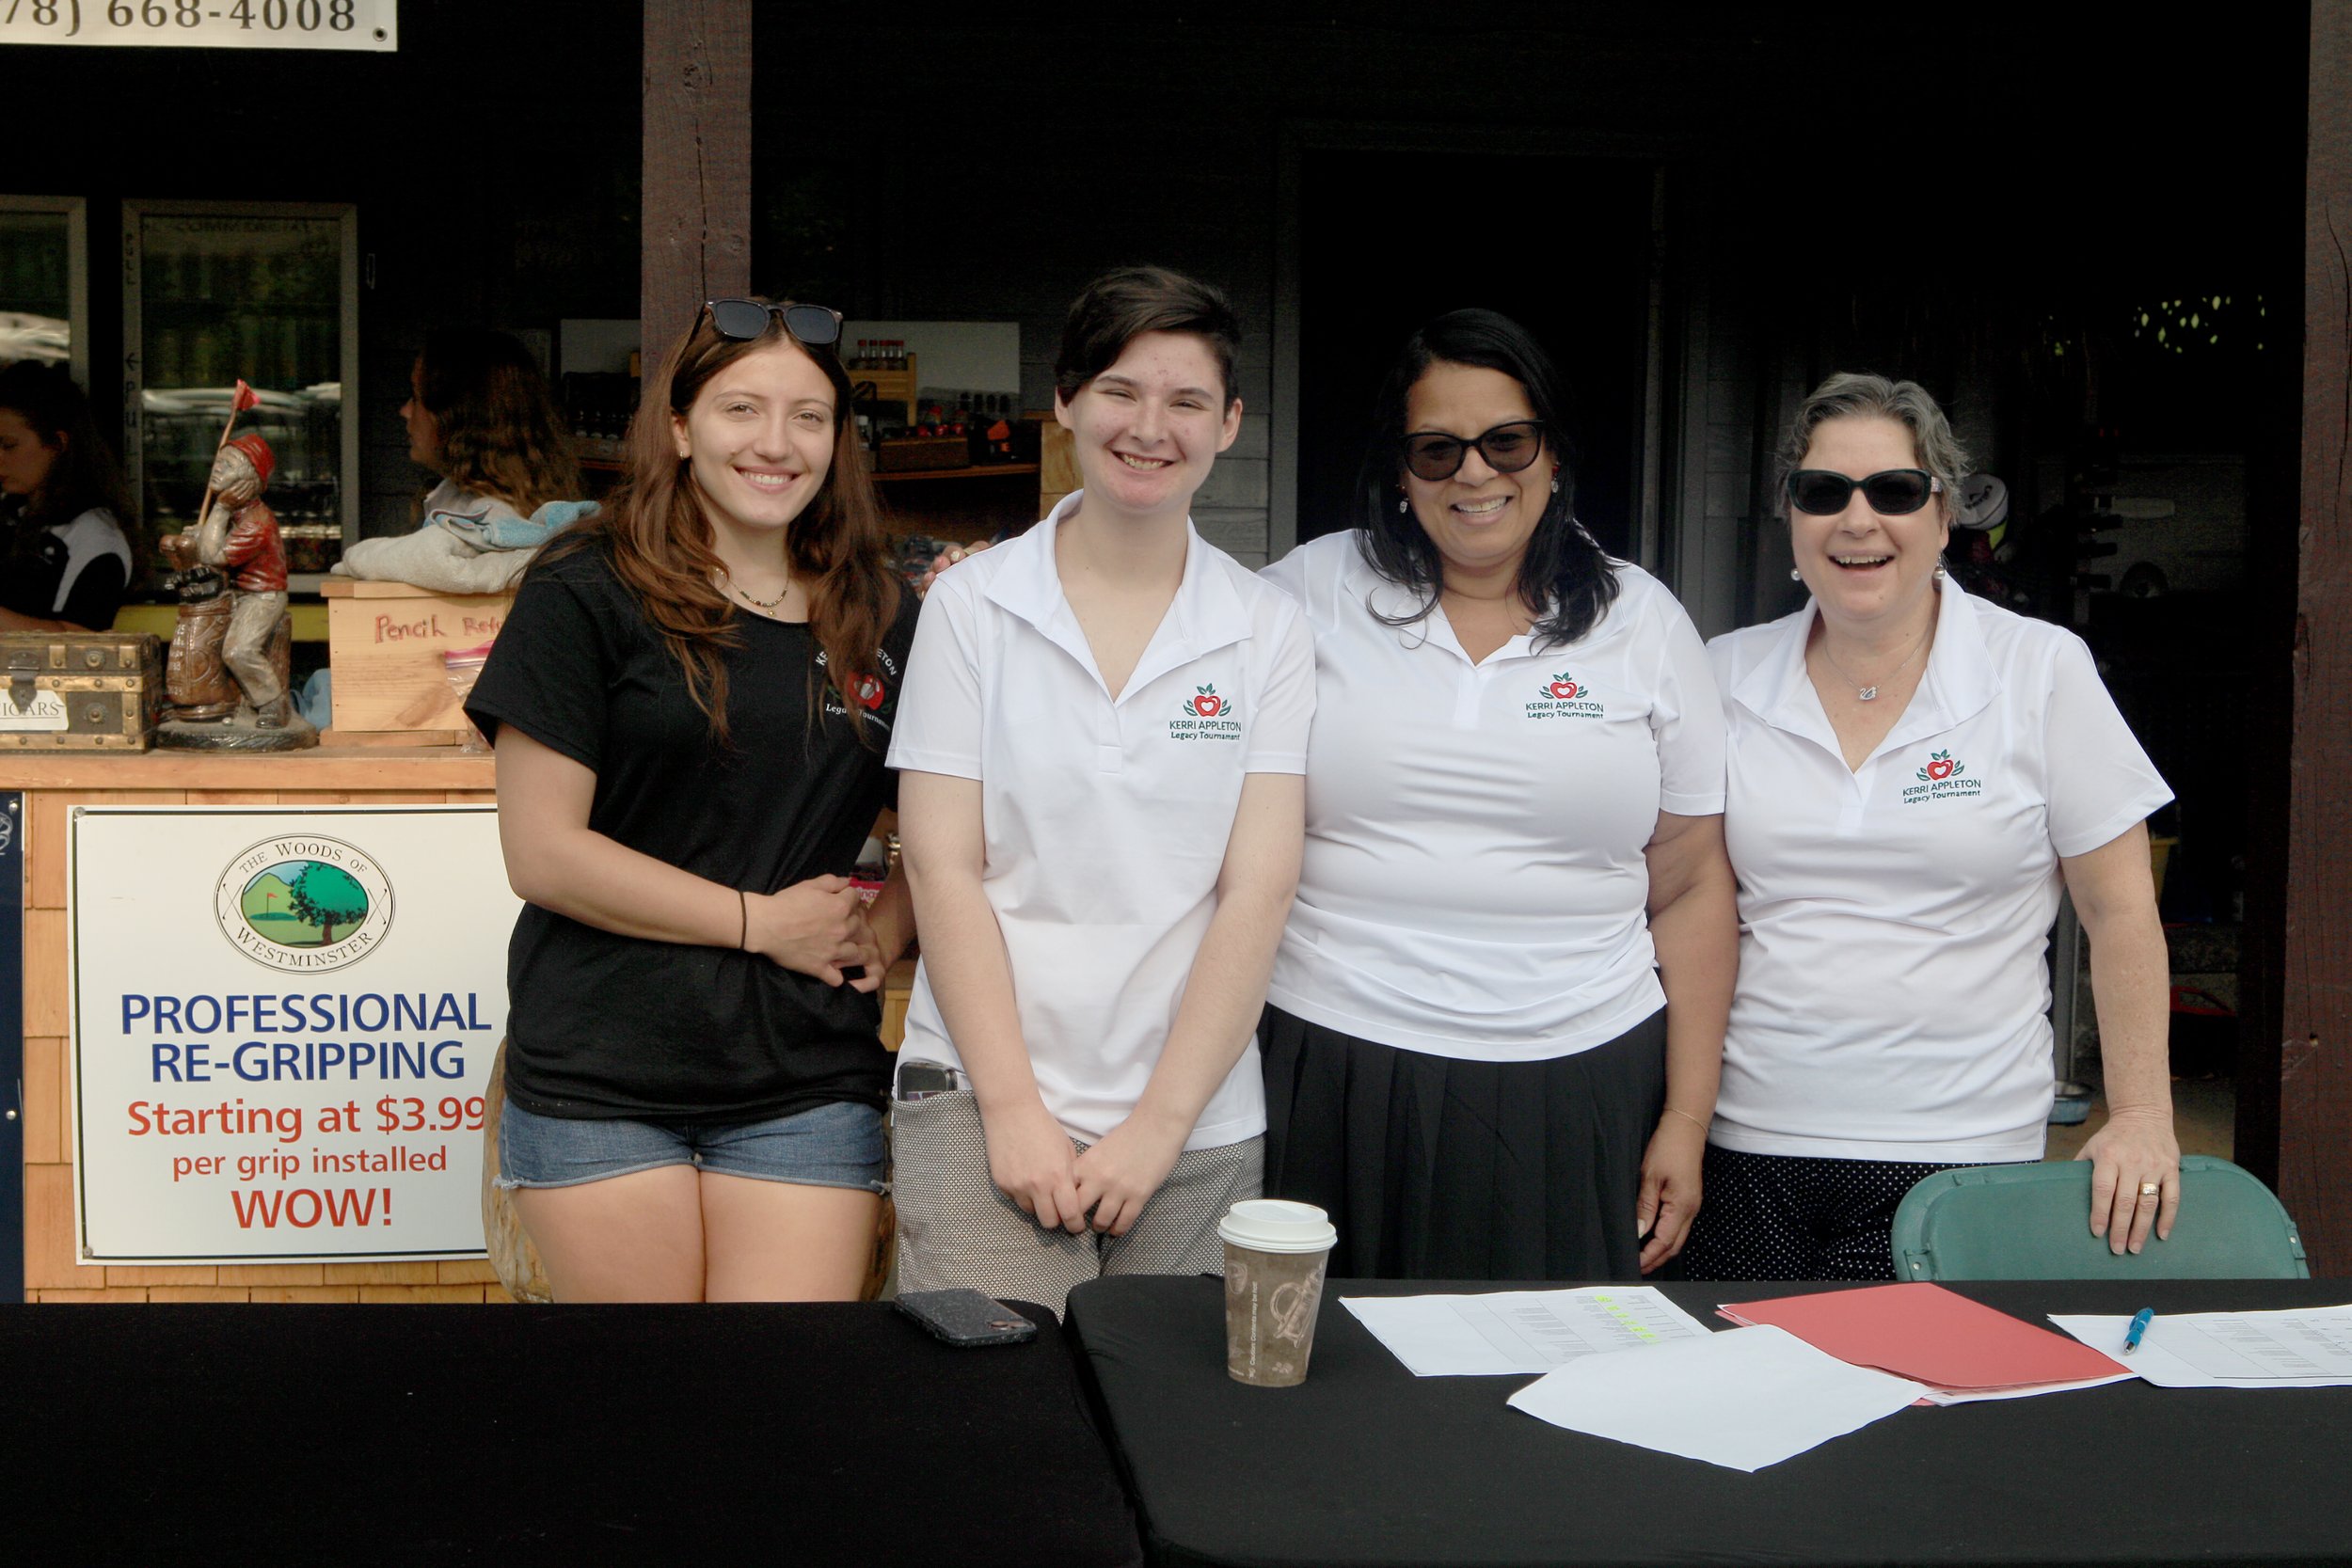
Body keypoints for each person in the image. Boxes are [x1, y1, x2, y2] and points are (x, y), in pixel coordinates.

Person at [1256, 309, 1736, 1281]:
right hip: (1332, 1055)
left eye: (1506, 441)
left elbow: (1690, 880)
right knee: (1330, 1359)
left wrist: (1687, 1118)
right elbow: (1171, 649)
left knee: (1546, 1354)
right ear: (1399, 472)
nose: (1473, 473)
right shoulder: (1309, 590)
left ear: (1552, 454)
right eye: (1437, 449)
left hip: (1579, 1068)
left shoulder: (1642, 619)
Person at [463, 297, 915, 1302]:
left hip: (802, 1072)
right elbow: (543, 852)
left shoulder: (880, 611)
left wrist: (884, 928)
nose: (776, 443)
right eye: (741, 409)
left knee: (783, 1382)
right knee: (652, 1387)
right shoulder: (586, 588)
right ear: (679, 427)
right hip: (601, 1069)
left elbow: (947, 821)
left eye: (808, 416)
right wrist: (761, 922)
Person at [1680, 372, 2179, 1281]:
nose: (1857, 519)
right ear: (1791, 514)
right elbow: (1681, 898)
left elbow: (2119, 910)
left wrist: (2143, 1114)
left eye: (1895, 490)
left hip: (1960, 1155)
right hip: (1748, 1144)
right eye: (1823, 491)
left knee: (1913, 1380)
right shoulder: (1723, 674)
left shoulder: (2038, 669)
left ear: (1944, 515)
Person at [889, 266, 1314, 1316]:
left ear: (1229, 423)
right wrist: (1012, 1109)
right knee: (993, 1393)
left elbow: (1257, 888)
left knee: (1166, 1403)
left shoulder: (1266, 629)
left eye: (1186, 401)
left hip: (1194, 1116)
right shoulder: (973, 606)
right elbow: (941, 865)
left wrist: (1160, 1127)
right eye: (1120, 390)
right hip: (981, 1095)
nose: (1149, 428)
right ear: (1066, 401)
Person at [0, 360, 137, 633]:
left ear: (58, 443)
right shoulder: (10, 514)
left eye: (9, 446)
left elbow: (80, 637)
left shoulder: (93, 533)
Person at [401, 326, 584, 523]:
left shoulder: (487, 523)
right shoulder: (458, 499)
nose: (405, 411)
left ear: (457, 415)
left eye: (416, 398)